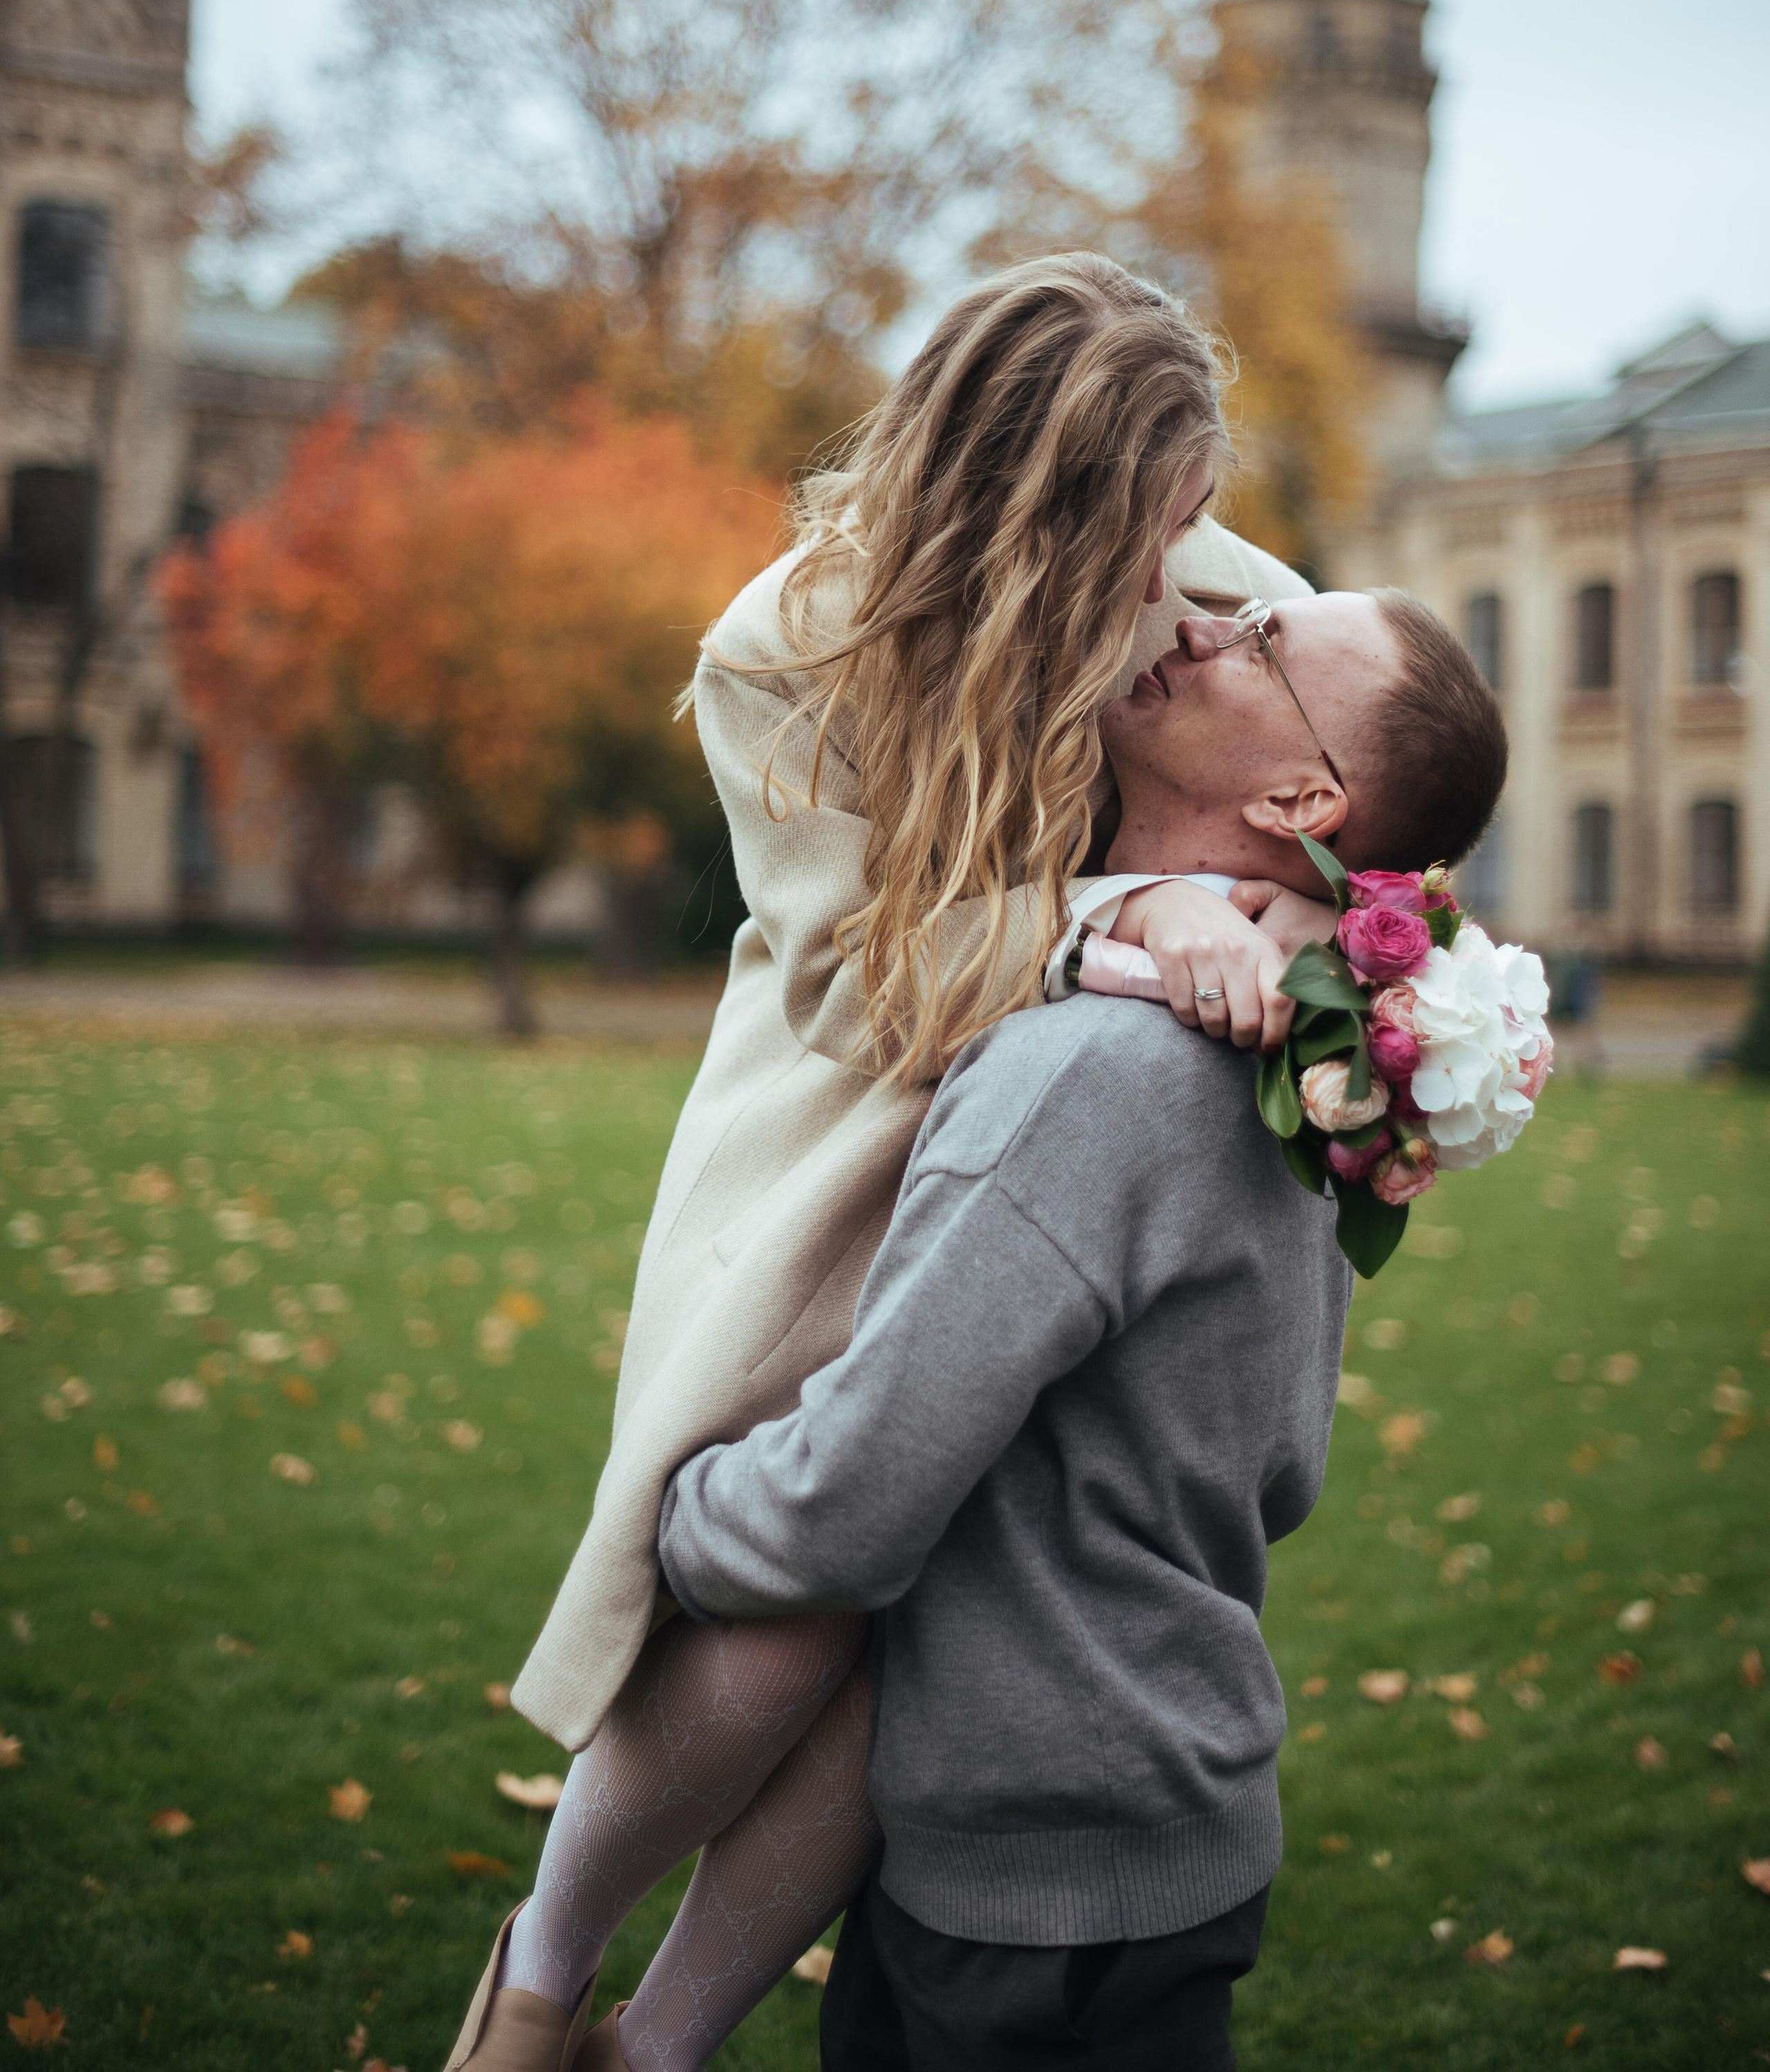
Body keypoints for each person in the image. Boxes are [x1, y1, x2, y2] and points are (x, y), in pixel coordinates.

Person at [442, 255, 1328, 2072]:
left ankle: (658, 2047)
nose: (1183, 581)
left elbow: (1343, 820)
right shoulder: (790, 644)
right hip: (836, 1146)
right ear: (1026, 509)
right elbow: (869, 970)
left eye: (1197, 519)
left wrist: (1392, 1014)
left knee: (927, 1667)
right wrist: (1134, 908)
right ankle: (536, 1980)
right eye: (1146, 528)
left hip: (1068, 1169)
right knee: (781, 1629)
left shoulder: (1233, 603)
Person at [654, 586, 1507, 2071]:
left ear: (1302, 794)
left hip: (1031, 1906)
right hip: (1142, 1826)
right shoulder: (1304, 1075)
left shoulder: (1094, 1076)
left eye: (1258, 643)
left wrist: (670, 1517)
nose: (1194, 620)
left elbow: (839, 1515)